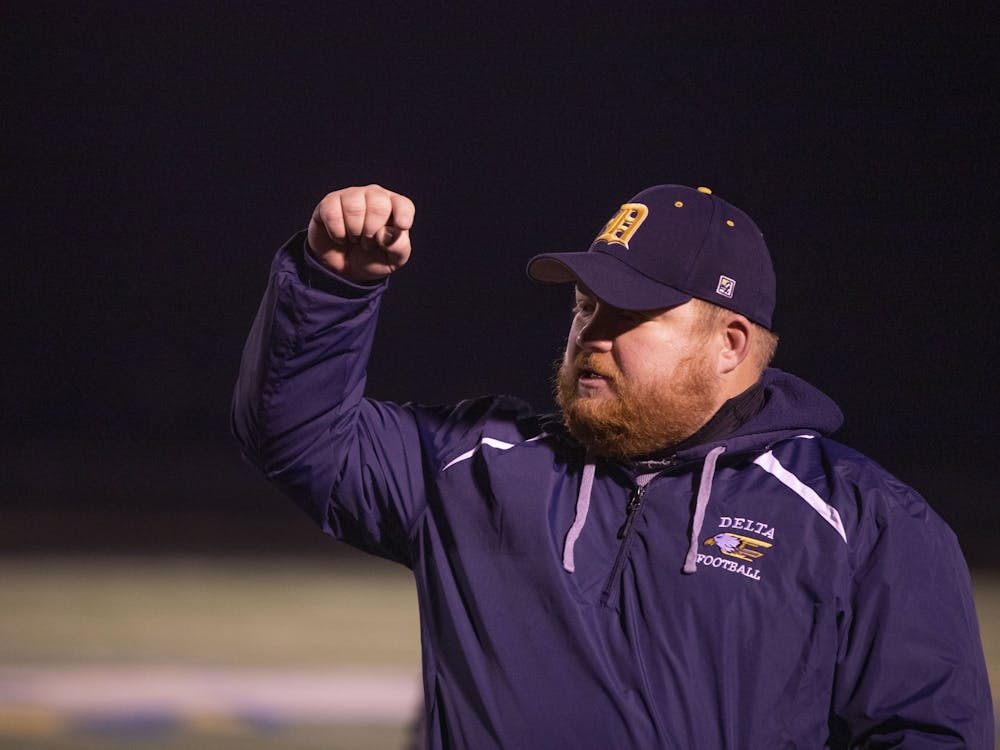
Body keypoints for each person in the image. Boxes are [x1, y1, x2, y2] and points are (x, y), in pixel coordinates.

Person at [232, 183, 993, 748]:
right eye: (584, 307)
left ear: (729, 343)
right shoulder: (478, 467)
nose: (591, 333)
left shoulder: (863, 521)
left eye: (627, 314)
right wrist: (333, 287)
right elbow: (299, 437)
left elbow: (924, 733)